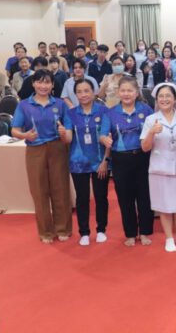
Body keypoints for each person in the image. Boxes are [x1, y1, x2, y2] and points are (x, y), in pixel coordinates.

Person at [11, 69, 71, 243]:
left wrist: (63, 133)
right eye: (39, 82)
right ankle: (45, 231)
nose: (43, 86)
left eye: (47, 82)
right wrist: (25, 135)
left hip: (57, 149)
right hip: (35, 150)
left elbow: (68, 132)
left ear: (52, 85)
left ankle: (63, 228)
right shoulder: (24, 105)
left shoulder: (60, 104)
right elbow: (15, 130)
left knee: (61, 189)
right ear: (33, 83)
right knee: (39, 191)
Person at [140, 83, 176, 252]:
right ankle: (169, 238)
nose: (164, 99)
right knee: (164, 206)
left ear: (174, 99)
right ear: (157, 99)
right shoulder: (151, 119)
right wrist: (152, 132)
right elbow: (145, 148)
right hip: (160, 169)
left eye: (168, 96)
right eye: (161, 96)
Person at [99, 76, 155, 246]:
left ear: (137, 92)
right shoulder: (110, 112)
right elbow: (102, 134)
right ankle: (130, 233)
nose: (126, 94)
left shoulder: (146, 110)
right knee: (125, 197)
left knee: (144, 196)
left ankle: (145, 232)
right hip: (120, 159)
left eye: (130, 90)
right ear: (118, 92)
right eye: (123, 90)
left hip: (143, 157)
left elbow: (154, 131)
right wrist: (104, 139)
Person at [62, 79, 110, 246]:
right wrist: (62, 133)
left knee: (101, 197)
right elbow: (68, 139)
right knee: (82, 198)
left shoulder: (104, 111)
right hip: (78, 162)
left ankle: (101, 229)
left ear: (94, 91)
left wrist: (105, 161)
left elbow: (107, 138)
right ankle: (84, 232)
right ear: (75, 94)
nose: (83, 95)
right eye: (79, 92)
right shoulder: (71, 113)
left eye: (86, 91)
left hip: (100, 162)